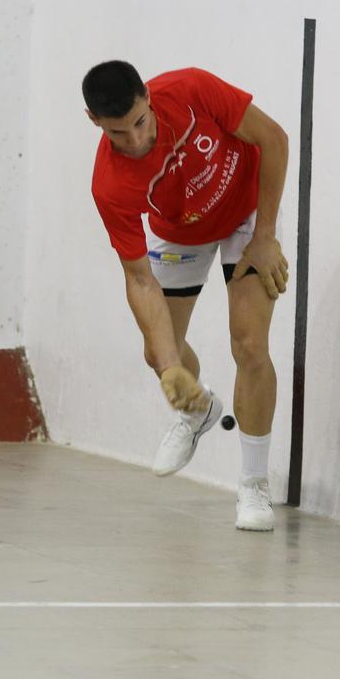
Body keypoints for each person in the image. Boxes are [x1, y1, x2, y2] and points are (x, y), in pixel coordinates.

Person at [83, 60, 289, 532]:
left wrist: (265, 236)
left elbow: (274, 139)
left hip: (246, 213)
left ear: (148, 97)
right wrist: (172, 367)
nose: (136, 140)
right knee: (159, 353)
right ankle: (199, 412)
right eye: (118, 133)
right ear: (94, 121)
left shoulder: (191, 88)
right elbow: (140, 280)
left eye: (140, 122)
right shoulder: (109, 185)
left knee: (250, 344)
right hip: (180, 232)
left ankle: (254, 485)